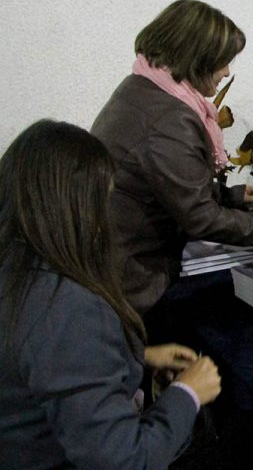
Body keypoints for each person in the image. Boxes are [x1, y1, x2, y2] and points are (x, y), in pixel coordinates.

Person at [0, 119, 222, 469]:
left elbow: (35, 363)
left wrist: (137, 355)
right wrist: (188, 394)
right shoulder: (67, 306)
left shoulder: (15, 268)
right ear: (74, 209)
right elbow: (123, 460)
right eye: (103, 200)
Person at [92, 0, 253, 319]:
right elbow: (200, 218)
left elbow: (163, 185)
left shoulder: (141, 87)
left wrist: (227, 196)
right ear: (196, 58)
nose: (227, 72)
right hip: (136, 279)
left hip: (115, 262)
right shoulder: (169, 119)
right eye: (222, 62)